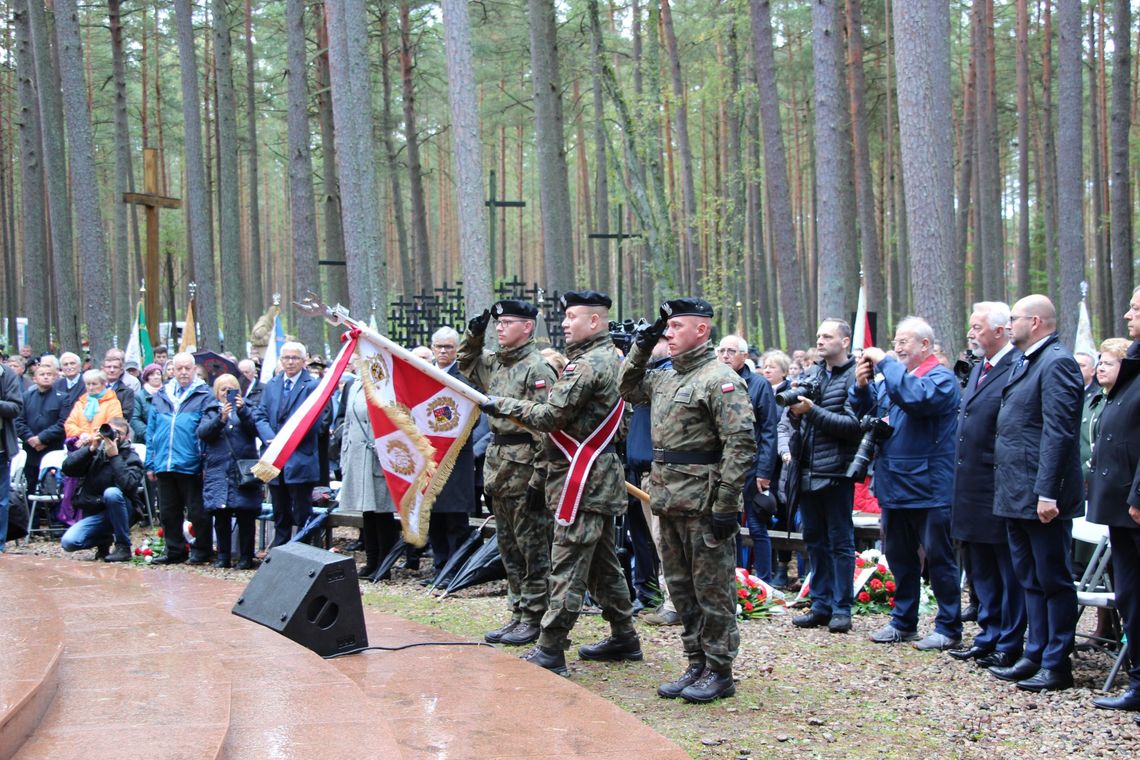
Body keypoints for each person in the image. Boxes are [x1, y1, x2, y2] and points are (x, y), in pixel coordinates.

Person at [483, 290, 639, 677]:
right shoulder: (612, 358)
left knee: (567, 563)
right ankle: (624, 634)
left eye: (572, 317)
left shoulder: (585, 366)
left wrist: (500, 404)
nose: (565, 323)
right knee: (602, 563)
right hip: (595, 474)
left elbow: (551, 416)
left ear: (594, 321)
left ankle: (551, 647)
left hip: (581, 478)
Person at [619, 298, 756, 703]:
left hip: (705, 501)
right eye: (667, 327)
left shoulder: (720, 379)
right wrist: (642, 345)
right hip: (668, 497)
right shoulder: (664, 377)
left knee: (711, 590)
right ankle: (695, 662)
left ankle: (720, 669)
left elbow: (741, 443)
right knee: (679, 589)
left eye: (676, 326)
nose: (669, 333)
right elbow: (626, 386)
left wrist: (727, 502)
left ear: (702, 330)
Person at [987, 295, 1083, 692]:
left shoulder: (1057, 362)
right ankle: (1035, 651)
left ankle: (1057, 662)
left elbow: (1058, 433)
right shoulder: (1029, 360)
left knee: (1053, 577)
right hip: (1015, 490)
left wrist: (1047, 493)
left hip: (1041, 494)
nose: (1010, 325)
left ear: (1037, 321)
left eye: (1015, 318)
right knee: (1029, 577)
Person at [852, 316, 963, 651]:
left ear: (925, 345)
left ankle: (948, 626)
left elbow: (915, 399)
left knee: (939, 559)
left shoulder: (940, 378)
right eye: (895, 342)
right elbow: (873, 413)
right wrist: (860, 388)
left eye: (904, 342)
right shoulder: (896, 378)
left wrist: (885, 360)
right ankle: (903, 622)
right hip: (894, 483)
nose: (897, 348)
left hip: (929, 486)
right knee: (899, 557)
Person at [459, 299, 558, 645]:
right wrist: (474, 333)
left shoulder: (537, 369)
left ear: (527, 327)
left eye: (507, 323)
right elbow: (467, 364)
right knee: (508, 546)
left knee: (533, 548)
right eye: (497, 324)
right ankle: (517, 612)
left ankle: (535, 615)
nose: (500, 328)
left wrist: (540, 477)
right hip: (499, 465)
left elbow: (549, 428)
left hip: (526, 468)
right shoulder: (497, 364)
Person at [947, 302, 1026, 668]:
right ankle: (988, 632)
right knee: (981, 567)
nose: (972, 334)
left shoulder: (1015, 367)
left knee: (1005, 567)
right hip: (970, 485)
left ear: (1000, 330)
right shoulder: (980, 367)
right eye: (971, 327)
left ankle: (1010, 640)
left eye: (978, 327)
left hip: (997, 484)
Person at [786, 320, 862, 633]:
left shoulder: (857, 379)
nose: (820, 340)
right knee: (814, 540)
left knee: (840, 542)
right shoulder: (813, 374)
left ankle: (842, 608)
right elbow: (796, 422)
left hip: (836, 472)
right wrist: (793, 412)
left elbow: (852, 426)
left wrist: (811, 411)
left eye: (827, 336)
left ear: (844, 341)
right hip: (806, 470)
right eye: (818, 335)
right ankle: (820, 604)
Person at [1088, 287, 1140, 713]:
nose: (1126, 314)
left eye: (1136, 308)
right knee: (1130, 594)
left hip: (1136, 503)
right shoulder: (1133, 368)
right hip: (1121, 506)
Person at [251, 341, 325, 547]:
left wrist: (285, 440)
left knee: (302, 511)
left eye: (295, 358)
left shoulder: (312, 386)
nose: (290, 362)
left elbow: (314, 421)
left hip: (299, 458)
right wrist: (270, 437)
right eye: (286, 358)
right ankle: (280, 549)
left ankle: (302, 549)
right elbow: (260, 415)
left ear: (304, 361)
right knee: (280, 510)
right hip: (274, 458)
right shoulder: (272, 384)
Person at [145, 352, 216, 565]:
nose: (183, 372)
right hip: (164, 462)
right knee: (167, 511)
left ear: (194, 370)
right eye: (179, 368)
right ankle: (174, 550)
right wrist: (150, 462)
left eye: (187, 368)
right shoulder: (161, 395)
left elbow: (207, 431)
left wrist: (203, 461)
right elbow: (151, 431)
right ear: (172, 371)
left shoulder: (204, 394)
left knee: (197, 511)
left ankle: (201, 550)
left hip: (191, 462)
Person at [717, 334, 777, 583]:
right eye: (721, 351)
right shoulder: (714, 381)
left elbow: (769, 430)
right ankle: (737, 579)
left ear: (744, 356)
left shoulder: (758, 385)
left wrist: (764, 471)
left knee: (756, 525)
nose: (725, 356)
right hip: (722, 465)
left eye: (731, 351)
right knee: (728, 524)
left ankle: (763, 581)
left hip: (751, 467)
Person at [337, 366, 399, 578]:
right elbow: (347, 423)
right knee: (367, 512)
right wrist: (344, 456)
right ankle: (371, 560)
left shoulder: (387, 385)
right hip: (357, 455)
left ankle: (385, 564)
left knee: (383, 512)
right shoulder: (354, 386)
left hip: (379, 457)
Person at [423, 326, 478, 569]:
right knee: (433, 513)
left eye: (449, 347)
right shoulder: (422, 374)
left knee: (455, 516)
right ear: (432, 348)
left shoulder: (464, 378)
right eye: (439, 346)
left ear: (457, 350)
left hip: (456, 455)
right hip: (428, 454)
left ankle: (455, 567)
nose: (443, 351)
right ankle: (439, 564)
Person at [197, 374, 263, 569]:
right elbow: (204, 434)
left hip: (242, 470)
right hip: (219, 470)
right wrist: (221, 418)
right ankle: (223, 556)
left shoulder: (248, 409)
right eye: (223, 389)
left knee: (246, 516)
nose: (227, 393)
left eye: (231, 389)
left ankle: (246, 557)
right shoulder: (210, 411)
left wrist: (242, 411)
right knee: (221, 515)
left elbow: (256, 430)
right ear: (216, 392)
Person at [58, 417, 141, 562]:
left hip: (123, 511)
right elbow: (67, 469)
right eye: (110, 431)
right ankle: (103, 540)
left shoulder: (131, 456)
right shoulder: (95, 453)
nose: (113, 435)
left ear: (127, 437)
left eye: (118, 433)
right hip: (96, 510)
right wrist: (91, 448)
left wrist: (114, 456)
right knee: (69, 542)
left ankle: (123, 547)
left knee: (112, 493)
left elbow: (129, 485)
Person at [15, 360, 67, 495]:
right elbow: (18, 421)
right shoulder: (26, 397)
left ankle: (53, 515)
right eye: (42, 374)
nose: (45, 377)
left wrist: (41, 438)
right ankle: (33, 516)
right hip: (30, 450)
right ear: (34, 379)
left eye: (49, 374)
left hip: (52, 450)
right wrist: (31, 439)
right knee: (30, 488)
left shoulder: (63, 398)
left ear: (55, 377)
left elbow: (63, 423)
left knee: (50, 489)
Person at [0, 362, 23, 552]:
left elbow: (16, 407)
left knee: (1, 499)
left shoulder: (7, 375)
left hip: (0, 448)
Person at [64, 370, 124, 441]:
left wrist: (91, 438)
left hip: (103, 446)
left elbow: (113, 427)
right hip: (80, 444)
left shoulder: (113, 403)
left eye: (94, 384)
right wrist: (81, 434)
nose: (90, 387)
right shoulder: (80, 403)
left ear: (103, 384)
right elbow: (69, 424)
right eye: (88, 384)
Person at [102, 350, 137, 424]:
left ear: (121, 370)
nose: (112, 370)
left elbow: (126, 414)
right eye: (108, 367)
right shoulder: (95, 388)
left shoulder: (127, 392)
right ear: (103, 369)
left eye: (115, 367)